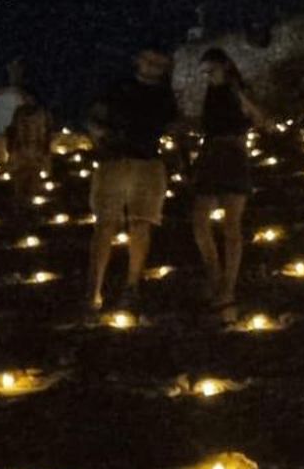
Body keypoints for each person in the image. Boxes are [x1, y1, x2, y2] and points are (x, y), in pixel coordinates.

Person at [85, 48, 179, 311]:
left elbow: (172, 124)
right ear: (138, 61)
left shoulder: (164, 95)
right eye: (149, 60)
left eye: (159, 62)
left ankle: (132, 285)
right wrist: (100, 134)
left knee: (141, 224)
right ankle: (93, 290)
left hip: (148, 162)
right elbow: (94, 116)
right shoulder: (118, 88)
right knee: (105, 225)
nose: (153, 66)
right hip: (113, 161)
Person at [188, 48, 270, 323]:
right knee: (200, 220)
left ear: (223, 66)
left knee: (231, 224)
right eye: (204, 71)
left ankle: (227, 289)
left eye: (209, 69)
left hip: (234, 154)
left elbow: (261, 120)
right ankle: (216, 276)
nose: (206, 75)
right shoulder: (210, 95)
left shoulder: (237, 90)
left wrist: (241, 96)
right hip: (210, 155)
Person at [4, 91, 53, 203]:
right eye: (25, 97)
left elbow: (48, 131)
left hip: (37, 151)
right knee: (20, 179)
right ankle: (19, 203)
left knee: (35, 179)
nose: (27, 99)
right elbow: (13, 129)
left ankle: (33, 203)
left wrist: (45, 148)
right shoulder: (19, 112)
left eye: (29, 97)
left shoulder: (42, 112)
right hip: (21, 151)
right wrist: (11, 146)